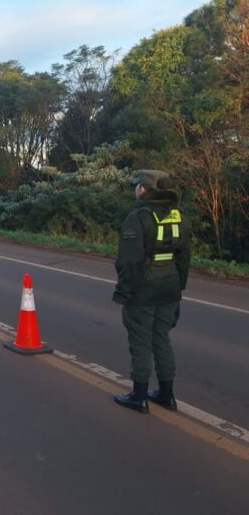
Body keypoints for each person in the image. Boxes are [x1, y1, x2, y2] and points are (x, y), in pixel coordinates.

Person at [112, 170, 191, 414]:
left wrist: (124, 293)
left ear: (144, 189)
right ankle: (167, 395)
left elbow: (129, 262)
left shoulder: (138, 217)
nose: (135, 189)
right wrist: (178, 287)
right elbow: (184, 258)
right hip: (170, 287)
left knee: (141, 342)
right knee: (162, 340)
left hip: (144, 290)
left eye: (137, 185)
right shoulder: (180, 217)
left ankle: (139, 396)